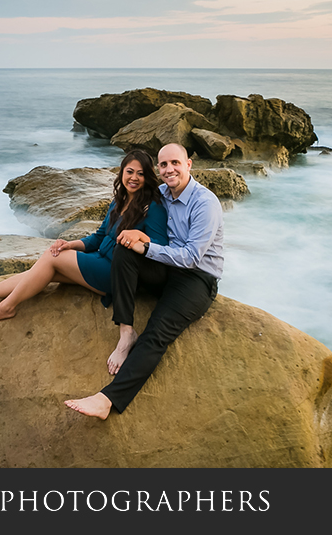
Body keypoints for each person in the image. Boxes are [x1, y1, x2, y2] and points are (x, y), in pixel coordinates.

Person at [65, 142, 224, 419]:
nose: (169, 169)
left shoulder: (204, 203)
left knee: (156, 333)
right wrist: (136, 237)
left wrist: (146, 245)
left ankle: (107, 400)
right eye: (163, 165)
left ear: (188, 164)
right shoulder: (160, 194)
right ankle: (126, 332)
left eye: (175, 162)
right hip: (164, 268)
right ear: (158, 170)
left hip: (196, 278)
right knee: (125, 252)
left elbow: (190, 257)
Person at [0, 149, 168, 327]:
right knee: (42, 272)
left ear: (148, 177)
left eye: (141, 174)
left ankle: (6, 307)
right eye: (130, 171)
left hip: (116, 274)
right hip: (100, 261)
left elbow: (160, 247)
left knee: (51, 258)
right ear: (122, 173)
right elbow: (99, 237)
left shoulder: (153, 206)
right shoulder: (118, 201)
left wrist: (139, 235)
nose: (134, 178)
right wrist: (70, 244)